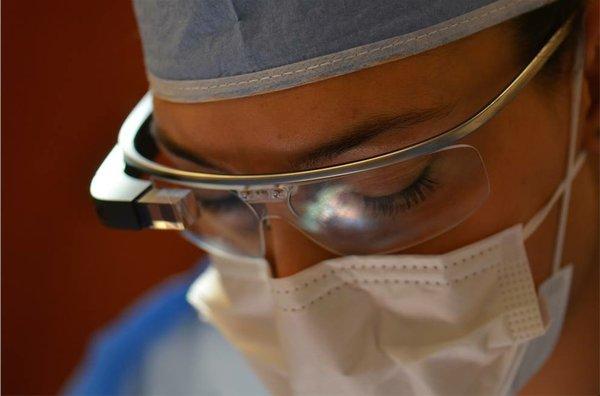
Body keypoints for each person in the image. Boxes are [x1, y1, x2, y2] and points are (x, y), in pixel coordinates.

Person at [68, 0, 598, 394]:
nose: (300, 313)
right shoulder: (154, 377)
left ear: (589, 76)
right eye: (224, 201)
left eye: (380, 192)